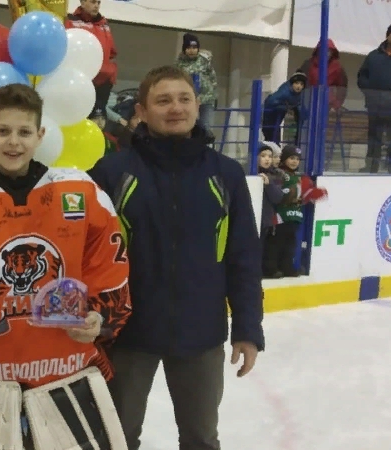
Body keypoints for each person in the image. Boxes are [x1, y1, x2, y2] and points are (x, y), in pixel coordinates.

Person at [0, 83, 131, 449]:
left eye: (24, 132)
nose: (13, 142)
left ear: (40, 135)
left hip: (67, 373)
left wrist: (99, 317)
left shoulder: (80, 188)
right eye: (3, 131)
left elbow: (108, 265)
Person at [87, 65, 265, 450]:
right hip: (127, 335)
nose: (176, 108)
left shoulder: (226, 174)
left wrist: (248, 328)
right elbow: (89, 256)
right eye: (163, 100)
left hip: (201, 333)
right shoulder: (112, 172)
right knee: (115, 439)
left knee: (201, 439)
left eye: (184, 99)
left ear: (197, 106)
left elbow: (244, 258)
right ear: (141, 110)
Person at [267, 145, 328, 277]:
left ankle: (287, 267)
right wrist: (296, 191)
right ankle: (271, 269)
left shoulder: (301, 177)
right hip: (280, 217)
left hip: (294, 218)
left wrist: (313, 193)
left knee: (290, 245)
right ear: (284, 159)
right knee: (275, 244)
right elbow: (278, 195)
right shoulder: (279, 174)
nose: (294, 161)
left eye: (297, 159)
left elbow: (307, 195)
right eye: (291, 158)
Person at [357, 21, 391, 174]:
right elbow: (362, 76)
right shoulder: (374, 56)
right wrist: (370, 90)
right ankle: (371, 167)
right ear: (388, 35)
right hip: (375, 105)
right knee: (374, 138)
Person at [64, 0, 117, 114]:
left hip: (103, 83)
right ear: (82, 2)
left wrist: (111, 74)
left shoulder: (104, 24)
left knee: (99, 119)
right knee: (77, 116)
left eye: (98, 2)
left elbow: (111, 52)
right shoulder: (70, 21)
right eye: (93, 2)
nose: (96, 6)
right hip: (80, 82)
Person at [174, 33, 218, 131]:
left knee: (205, 126)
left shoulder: (204, 61)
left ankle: (205, 141)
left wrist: (215, 96)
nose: (192, 50)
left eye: (194, 47)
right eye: (189, 47)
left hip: (206, 98)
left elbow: (212, 77)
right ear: (184, 49)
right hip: (187, 99)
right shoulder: (180, 63)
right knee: (187, 125)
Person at [257, 142, 286, 278]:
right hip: (250, 219)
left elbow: (277, 197)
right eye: (263, 156)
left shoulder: (275, 175)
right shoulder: (246, 173)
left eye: (270, 156)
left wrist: (268, 184)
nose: (267, 159)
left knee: (262, 248)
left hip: (265, 221)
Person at [262, 71, 307, 144]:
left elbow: (301, 109)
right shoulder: (284, 92)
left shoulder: (299, 95)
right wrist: (285, 107)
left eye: (301, 84)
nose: (299, 86)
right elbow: (270, 102)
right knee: (271, 133)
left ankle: (295, 142)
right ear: (292, 83)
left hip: (280, 114)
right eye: (296, 83)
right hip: (272, 114)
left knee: (274, 134)